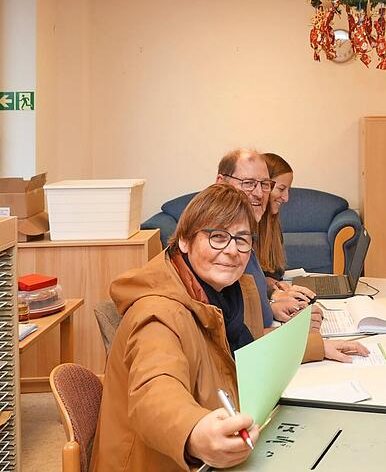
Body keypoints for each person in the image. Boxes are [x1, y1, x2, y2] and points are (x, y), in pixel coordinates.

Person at [92, 184, 368, 470]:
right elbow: (155, 391)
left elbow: (248, 352)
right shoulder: (159, 312)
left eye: (241, 239)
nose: (232, 250)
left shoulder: (229, 294)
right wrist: (196, 432)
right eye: (218, 237)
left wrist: (317, 346)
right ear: (184, 241)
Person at [215, 149, 320, 331]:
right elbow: (236, 339)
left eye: (264, 185)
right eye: (248, 183)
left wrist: (273, 306)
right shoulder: (223, 247)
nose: (258, 193)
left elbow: (247, 323)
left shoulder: (246, 239)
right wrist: (303, 337)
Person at [254, 152, 319, 325]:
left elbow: (272, 271)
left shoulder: (271, 222)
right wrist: (273, 295)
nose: (286, 198)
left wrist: (274, 286)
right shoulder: (245, 225)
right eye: (281, 189)